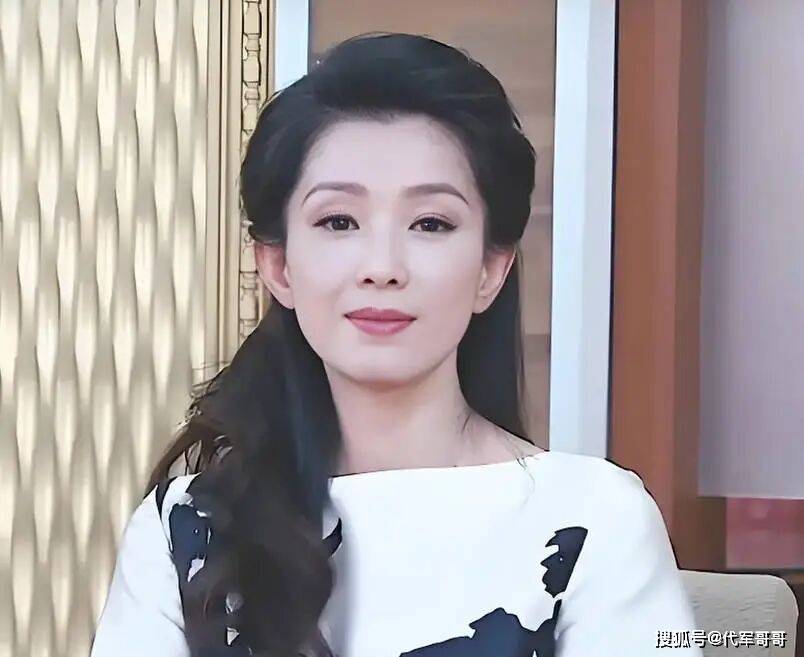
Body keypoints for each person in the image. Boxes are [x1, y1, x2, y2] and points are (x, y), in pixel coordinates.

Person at [90, 32, 701, 657]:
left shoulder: (593, 519)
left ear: (491, 270)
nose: (382, 267)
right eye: (339, 222)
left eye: (430, 223)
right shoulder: (186, 527)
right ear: (278, 266)